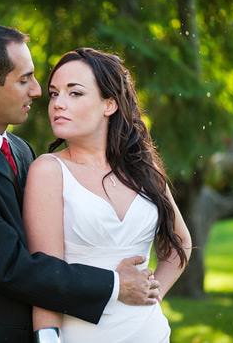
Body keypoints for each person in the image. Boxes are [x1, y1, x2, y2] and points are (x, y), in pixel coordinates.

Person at [0, 25, 161, 343]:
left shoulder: (20, 149)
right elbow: (13, 268)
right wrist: (115, 285)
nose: (37, 91)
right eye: (24, 79)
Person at [23, 48, 192, 342]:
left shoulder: (143, 168)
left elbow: (180, 244)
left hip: (151, 334)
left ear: (109, 103)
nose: (58, 104)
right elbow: (45, 280)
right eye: (54, 94)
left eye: (74, 93)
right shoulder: (48, 171)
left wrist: (153, 296)